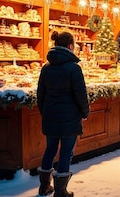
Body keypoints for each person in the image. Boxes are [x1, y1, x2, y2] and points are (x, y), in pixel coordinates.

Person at [37, 31, 90, 197]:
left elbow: (40, 95)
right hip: (69, 118)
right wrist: (85, 112)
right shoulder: (74, 68)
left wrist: (45, 113)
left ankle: (44, 187)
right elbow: (80, 94)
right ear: (71, 46)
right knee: (66, 152)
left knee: (50, 149)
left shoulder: (46, 68)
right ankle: (60, 191)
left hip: (51, 116)